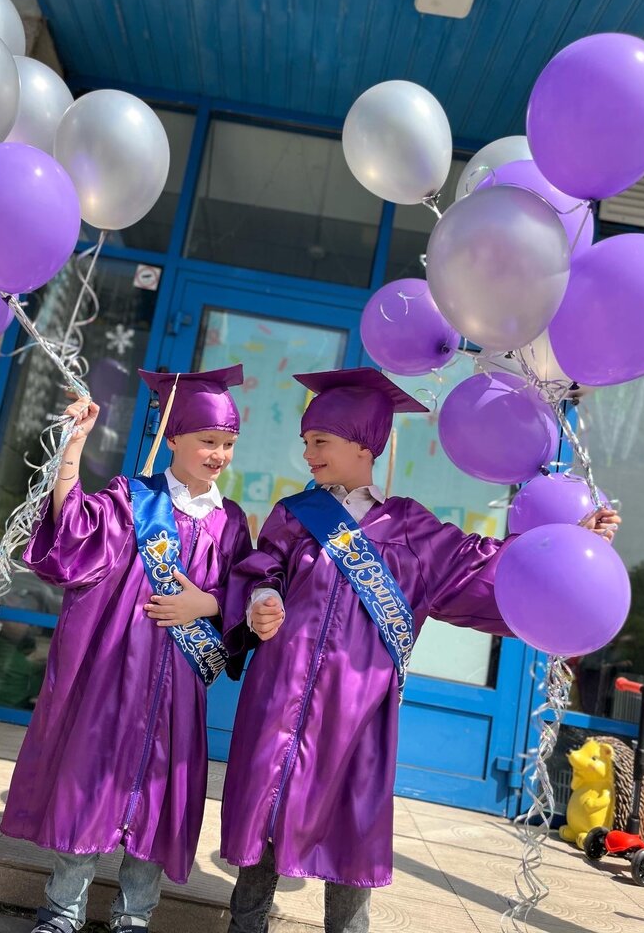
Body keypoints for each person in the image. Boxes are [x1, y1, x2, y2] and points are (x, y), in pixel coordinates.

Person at [220, 367, 620, 933]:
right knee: (266, 819)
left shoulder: (411, 530)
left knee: (349, 833)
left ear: (364, 443)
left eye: (320, 441)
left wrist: (575, 542)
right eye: (306, 442)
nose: (308, 453)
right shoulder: (293, 516)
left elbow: (490, 567)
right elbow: (260, 568)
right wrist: (261, 597)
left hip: (359, 711)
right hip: (281, 700)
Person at [1, 366, 252, 933]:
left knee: (159, 801)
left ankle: (133, 919)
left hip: (178, 688)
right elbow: (70, 532)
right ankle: (62, 913)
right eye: (208, 441)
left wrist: (208, 606)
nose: (218, 454)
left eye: (228, 444)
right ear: (174, 438)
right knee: (92, 784)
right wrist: (76, 445)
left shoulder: (231, 522)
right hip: (117, 676)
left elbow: (242, 593)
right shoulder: (131, 499)